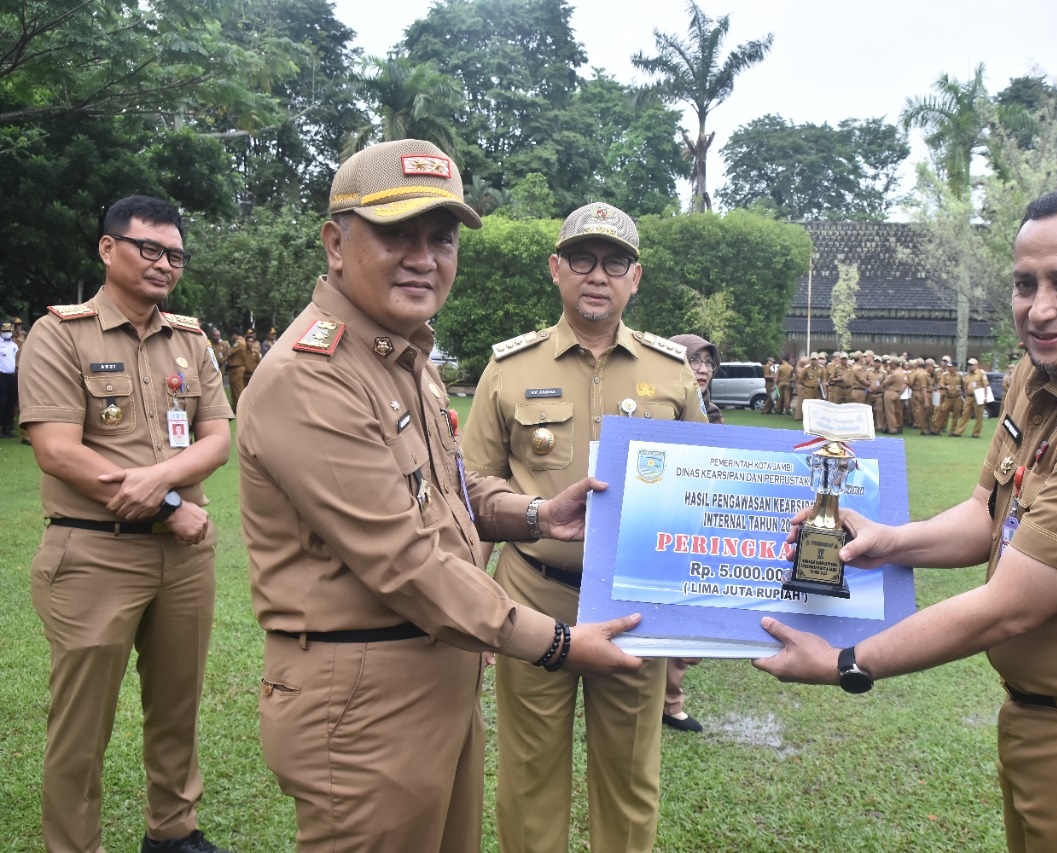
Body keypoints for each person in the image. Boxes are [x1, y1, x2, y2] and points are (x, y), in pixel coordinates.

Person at [755, 189, 1057, 853]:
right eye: (1024, 283)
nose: (1039, 309)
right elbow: (990, 512)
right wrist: (890, 541)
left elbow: (1011, 607)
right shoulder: (1047, 375)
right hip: (1051, 721)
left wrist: (846, 660)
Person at [236, 141, 642, 853]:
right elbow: (406, 559)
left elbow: (453, 486)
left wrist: (538, 512)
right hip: (361, 699)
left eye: (442, 237)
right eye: (396, 233)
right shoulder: (314, 376)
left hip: (435, 674)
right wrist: (556, 641)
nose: (424, 256)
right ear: (336, 243)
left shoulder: (401, 357)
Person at [462, 200, 707, 853]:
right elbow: (473, 484)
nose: (597, 274)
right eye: (582, 258)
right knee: (529, 771)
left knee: (629, 777)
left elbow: (704, 489)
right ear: (556, 269)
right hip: (534, 594)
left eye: (615, 260)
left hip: (635, 602)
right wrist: (518, 537)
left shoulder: (672, 373)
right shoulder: (509, 370)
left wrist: (701, 611)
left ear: (636, 276)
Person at [19, 195, 234, 853]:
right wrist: (171, 502)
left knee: (177, 708)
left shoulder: (191, 340)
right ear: (109, 249)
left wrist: (162, 485)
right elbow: (57, 448)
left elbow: (217, 435)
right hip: (93, 553)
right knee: (81, 725)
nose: (164, 263)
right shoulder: (60, 333)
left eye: (175, 253)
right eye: (150, 248)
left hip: (183, 559)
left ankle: (173, 833)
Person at [662, 333, 725, 735]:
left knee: (695, 619)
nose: (702, 369)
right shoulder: (656, 409)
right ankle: (667, 702)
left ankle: (668, 696)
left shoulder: (714, 414)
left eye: (708, 363)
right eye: (694, 361)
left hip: (701, 529)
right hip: (662, 526)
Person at [953, 356, 991, 438]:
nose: (970, 366)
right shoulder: (967, 375)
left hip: (979, 396)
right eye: (968, 364)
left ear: (976, 365)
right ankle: (958, 432)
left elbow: (986, 385)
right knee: (964, 414)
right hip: (969, 397)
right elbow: (966, 387)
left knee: (979, 416)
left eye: (971, 364)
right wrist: (966, 397)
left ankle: (976, 433)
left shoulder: (981, 373)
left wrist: (985, 397)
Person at [933, 359, 963, 435]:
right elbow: (941, 384)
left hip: (957, 397)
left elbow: (963, 385)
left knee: (956, 414)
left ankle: (953, 431)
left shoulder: (959, 375)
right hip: (948, 397)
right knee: (942, 412)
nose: (949, 368)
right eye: (948, 366)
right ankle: (937, 429)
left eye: (951, 367)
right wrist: (945, 387)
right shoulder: (945, 375)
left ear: (955, 367)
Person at [0, 321, 17, 436]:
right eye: (5, 331)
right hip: (1, 377)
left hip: (12, 377)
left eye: (9, 331)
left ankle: (7, 427)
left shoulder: (13, 345)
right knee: (2, 402)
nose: (7, 333)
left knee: (11, 402)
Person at [223, 331, 247, 411]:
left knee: (238, 389)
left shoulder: (239, 343)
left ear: (235, 334)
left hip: (237, 368)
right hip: (236, 368)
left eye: (232, 335)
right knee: (234, 389)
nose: (231, 337)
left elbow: (230, 352)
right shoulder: (242, 342)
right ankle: (236, 408)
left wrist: (223, 358)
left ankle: (241, 408)